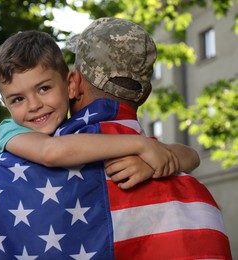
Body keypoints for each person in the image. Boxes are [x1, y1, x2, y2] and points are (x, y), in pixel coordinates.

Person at [63, 17, 232, 259]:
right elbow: (191, 156)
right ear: (145, 95)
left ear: (73, 83)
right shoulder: (197, 200)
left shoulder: (19, 173)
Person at [0, 30, 199, 189]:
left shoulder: (81, 128)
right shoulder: (11, 131)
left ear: (71, 85)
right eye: (18, 99)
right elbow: (51, 151)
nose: (34, 105)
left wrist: (153, 163)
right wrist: (140, 145)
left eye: (44, 88)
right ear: (5, 104)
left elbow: (192, 156)